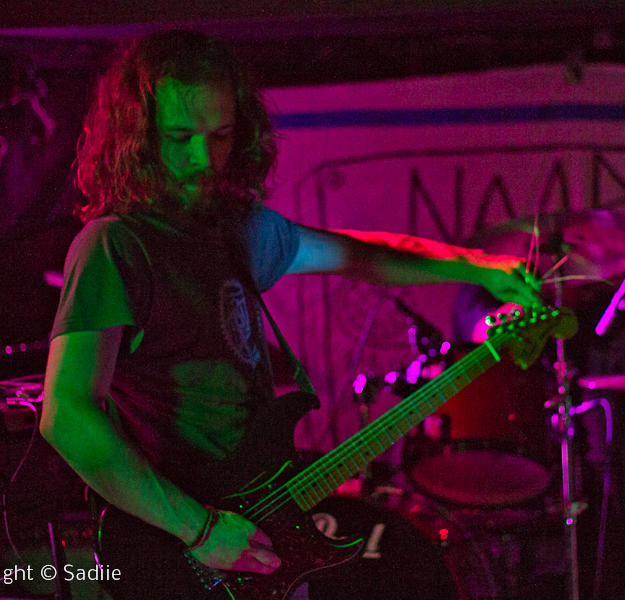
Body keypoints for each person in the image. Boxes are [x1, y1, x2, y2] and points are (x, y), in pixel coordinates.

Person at [39, 29, 542, 599]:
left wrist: (478, 267)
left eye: (221, 135)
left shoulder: (236, 230)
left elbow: (360, 255)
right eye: (180, 137)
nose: (203, 159)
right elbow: (66, 414)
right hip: (180, 549)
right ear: (138, 136)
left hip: (261, 541)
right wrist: (198, 528)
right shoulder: (114, 246)